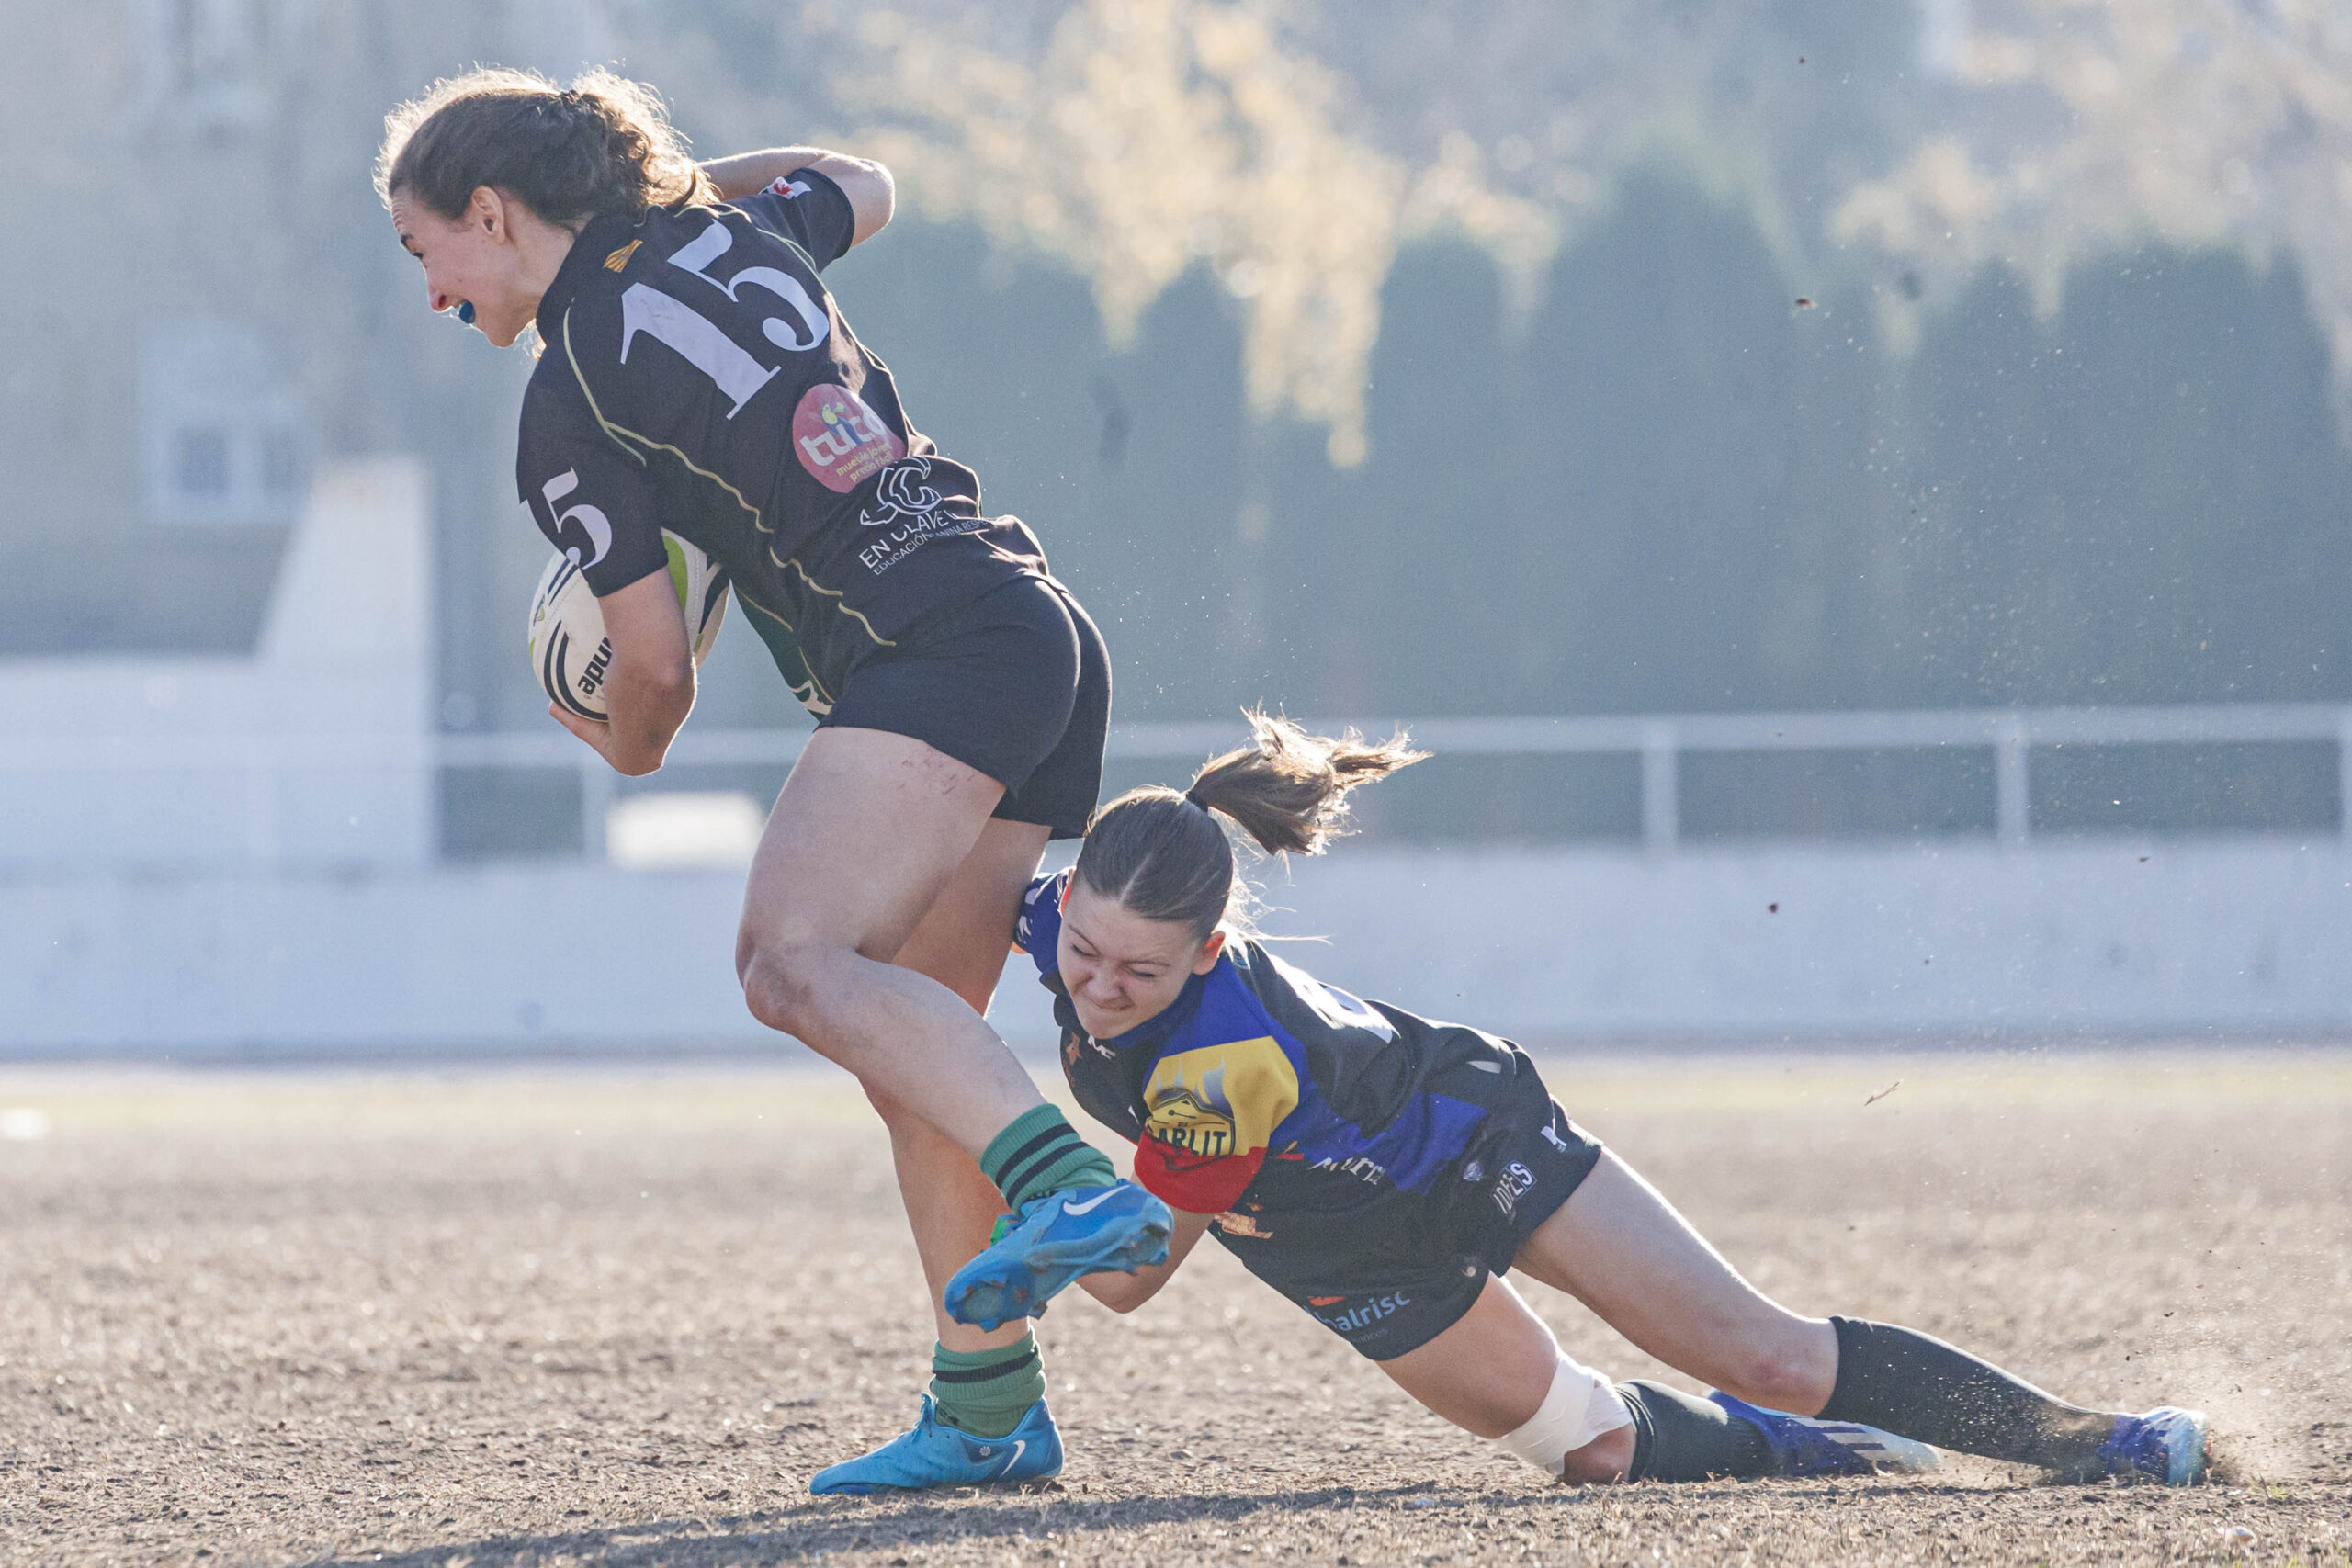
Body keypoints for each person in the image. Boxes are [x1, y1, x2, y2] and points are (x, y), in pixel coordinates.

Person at [375, 67, 1169, 1488]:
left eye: (425, 247)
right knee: (915, 1053)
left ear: (491, 212)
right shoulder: (738, 236)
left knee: (788, 965)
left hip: (932, 653)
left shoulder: (567, 401)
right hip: (1028, 622)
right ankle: (987, 1412)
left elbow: (657, 678)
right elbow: (869, 176)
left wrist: (616, 744)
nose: (432, 294)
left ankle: (1070, 1189)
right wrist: (666, 199)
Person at [818, 710, 2214, 1493]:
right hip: (1330, 1236)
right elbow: (948, 910)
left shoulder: (1222, 1064)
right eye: (1081, 956)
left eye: (1142, 970)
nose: (1100, 987)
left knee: (1758, 1346)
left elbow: (1135, 1272)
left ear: (1215, 950)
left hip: (1462, 1142)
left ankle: (2102, 1442)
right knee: (1596, 1447)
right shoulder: (1063, 914)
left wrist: (1039, 1245)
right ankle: (1820, 1458)